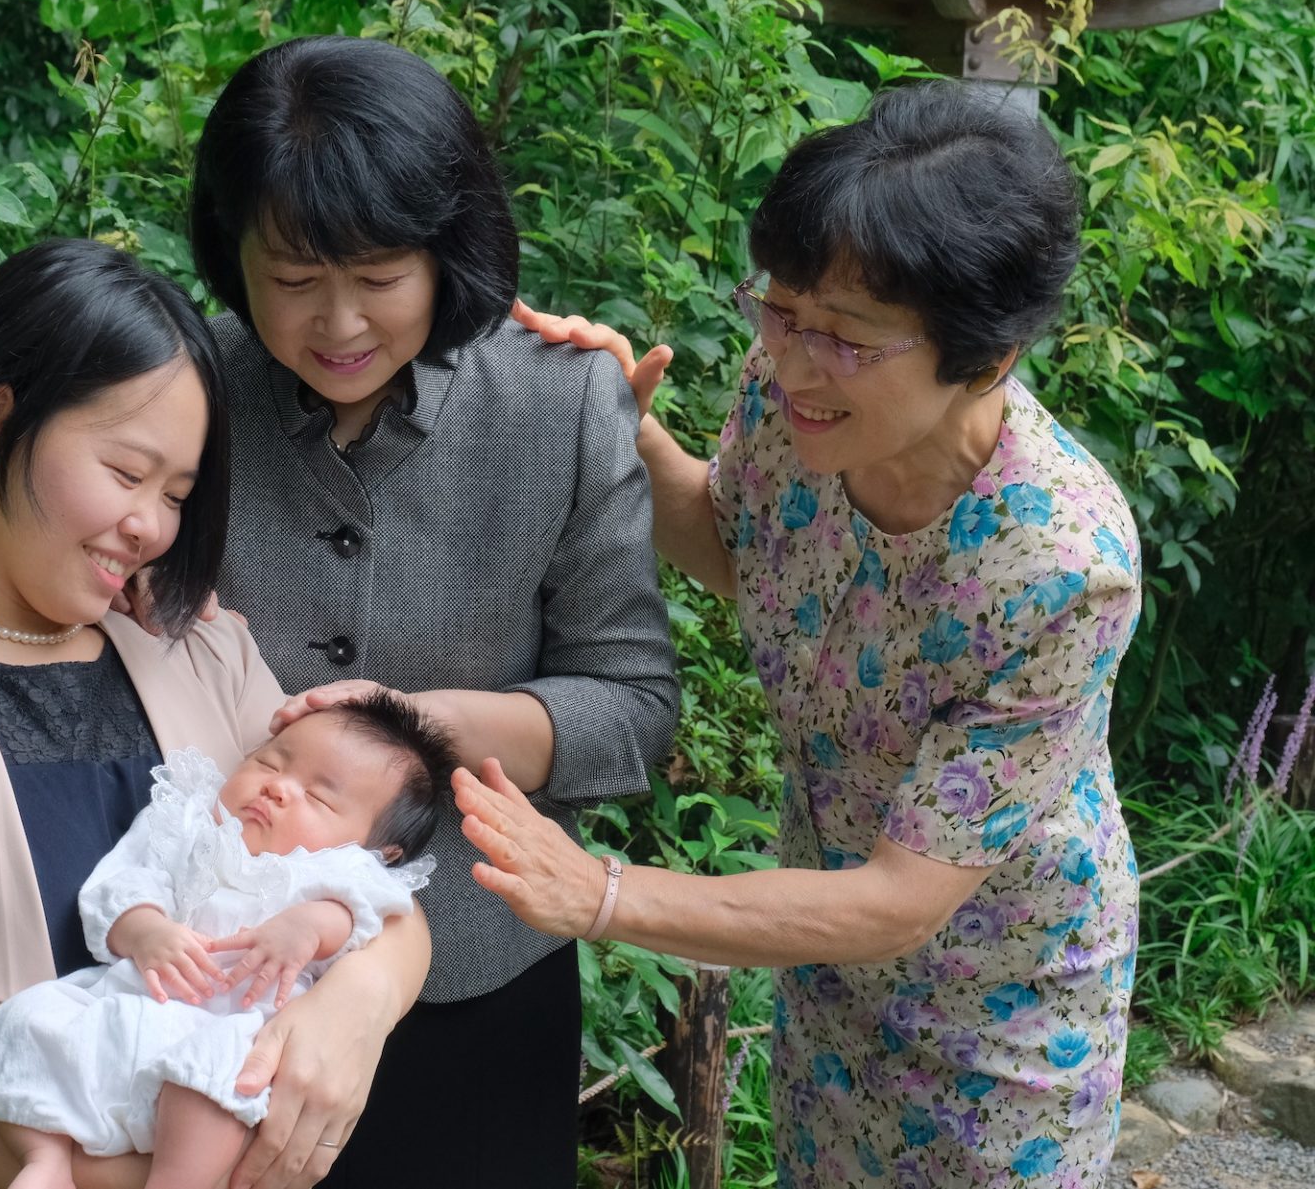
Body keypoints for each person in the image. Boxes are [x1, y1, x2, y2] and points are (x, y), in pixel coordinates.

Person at [477, 80, 1143, 1188]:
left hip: (1005, 1008)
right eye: (779, 310)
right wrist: (633, 433)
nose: (790, 361)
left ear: (988, 357)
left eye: (844, 337)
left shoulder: (1062, 568)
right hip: (822, 954)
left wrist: (596, 892)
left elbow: (899, 901)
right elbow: (746, 557)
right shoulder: (795, 397)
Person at [0, 238, 431, 1189]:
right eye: (126, 473)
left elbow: (379, 887)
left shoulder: (200, 649)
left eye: (177, 495)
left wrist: (355, 1003)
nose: (152, 525)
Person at [177, 34, 679, 1187]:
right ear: (231, 255)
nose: (338, 325)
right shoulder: (186, 394)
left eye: (380, 278)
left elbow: (634, 707)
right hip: (210, 981)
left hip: (478, 974)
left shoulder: (558, 405)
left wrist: (425, 721)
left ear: (449, 251)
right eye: (294, 282)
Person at [0, 696, 459, 1189]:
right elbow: (120, 884)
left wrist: (311, 925)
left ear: (379, 849)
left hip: (232, 1029)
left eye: (320, 797)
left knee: (222, 1081)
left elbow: (365, 912)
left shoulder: (342, 871)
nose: (278, 787)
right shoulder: (187, 822)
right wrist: (144, 929)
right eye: (270, 761)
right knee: (25, 1023)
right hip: (126, 1010)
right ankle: (46, 1159)